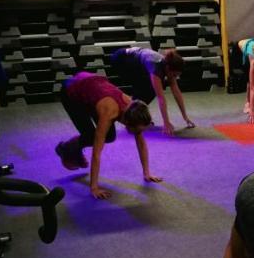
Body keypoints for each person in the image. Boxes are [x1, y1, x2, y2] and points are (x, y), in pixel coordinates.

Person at [54, 71, 159, 200]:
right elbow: (97, 154)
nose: (138, 133)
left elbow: (141, 143)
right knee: (91, 136)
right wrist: (94, 187)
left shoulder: (133, 108)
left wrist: (146, 172)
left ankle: (74, 146)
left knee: (110, 137)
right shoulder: (109, 113)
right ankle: (66, 148)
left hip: (92, 87)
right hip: (72, 92)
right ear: (127, 122)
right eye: (136, 130)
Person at [109, 46, 196, 134]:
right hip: (121, 59)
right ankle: (131, 118)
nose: (175, 77)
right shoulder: (156, 67)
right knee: (148, 89)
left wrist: (185, 117)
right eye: (174, 75)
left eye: (176, 75)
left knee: (147, 89)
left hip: (135, 62)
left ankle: (134, 116)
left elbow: (177, 93)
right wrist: (166, 122)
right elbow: (161, 98)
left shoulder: (168, 66)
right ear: (168, 68)